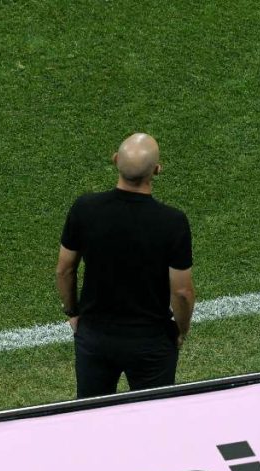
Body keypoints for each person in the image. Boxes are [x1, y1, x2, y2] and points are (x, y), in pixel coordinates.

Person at [56, 132, 195, 398]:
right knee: (155, 421)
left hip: (95, 338)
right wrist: (181, 330)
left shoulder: (85, 209)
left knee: (90, 419)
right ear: (156, 170)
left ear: (115, 159)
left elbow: (64, 270)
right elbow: (182, 292)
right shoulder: (172, 222)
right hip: (151, 342)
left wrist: (73, 312)